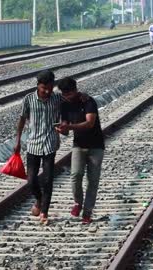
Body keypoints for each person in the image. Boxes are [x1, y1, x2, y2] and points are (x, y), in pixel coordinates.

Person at [14, 70, 61, 225]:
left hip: (50, 143)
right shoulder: (28, 99)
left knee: (48, 179)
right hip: (33, 143)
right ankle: (39, 200)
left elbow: (72, 100)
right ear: (38, 86)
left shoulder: (57, 98)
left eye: (50, 88)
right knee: (31, 180)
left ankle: (44, 212)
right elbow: (21, 120)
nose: (47, 91)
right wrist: (18, 141)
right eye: (43, 88)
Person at [56, 77, 105, 225]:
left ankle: (87, 212)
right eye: (64, 94)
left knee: (93, 180)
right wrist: (60, 128)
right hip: (78, 144)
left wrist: (70, 127)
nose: (67, 96)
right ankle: (78, 202)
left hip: (96, 146)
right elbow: (65, 128)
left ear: (75, 90)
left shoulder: (88, 101)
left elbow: (90, 123)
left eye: (69, 93)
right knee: (76, 174)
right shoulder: (64, 105)